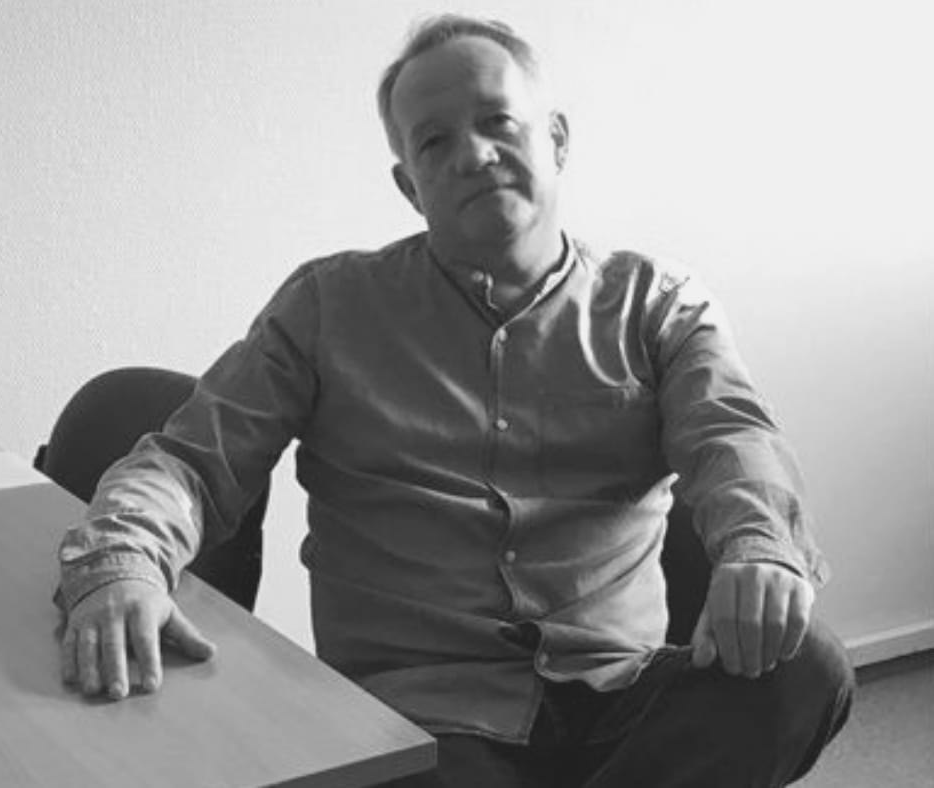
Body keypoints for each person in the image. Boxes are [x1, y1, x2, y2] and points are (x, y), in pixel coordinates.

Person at [55, 14, 853, 787]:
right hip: (423, 717)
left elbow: (734, 438)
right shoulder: (327, 307)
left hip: (618, 693)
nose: (473, 154)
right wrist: (122, 562)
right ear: (409, 184)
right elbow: (191, 461)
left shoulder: (658, 304)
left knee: (804, 670)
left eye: (498, 121)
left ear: (557, 139)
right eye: (434, 141)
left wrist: (760, 549)